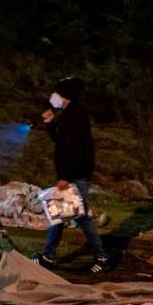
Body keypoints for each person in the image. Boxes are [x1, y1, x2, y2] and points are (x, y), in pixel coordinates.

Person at [32, 76, 108, 274]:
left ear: (63, 94)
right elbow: (62, 140)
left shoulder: (74, 114)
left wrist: (65, 176)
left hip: (75, 174)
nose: (52, 96)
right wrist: (50, 123)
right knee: (58, 214)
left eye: (55, 92)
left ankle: (101, 256)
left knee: (80, 216)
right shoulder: (69, 113)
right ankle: (48, 256)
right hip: (73, 172)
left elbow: (72, 148)